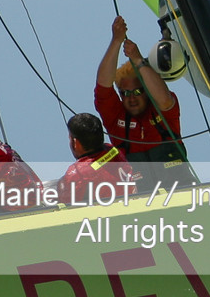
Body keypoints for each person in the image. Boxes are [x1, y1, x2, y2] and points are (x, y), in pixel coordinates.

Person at [95, 16, 191, 177]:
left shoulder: (161, 109)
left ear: (147, 91)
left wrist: (138, 60)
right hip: (141, 191)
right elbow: (103, 87)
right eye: (125, 93)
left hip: (181, 188)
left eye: (138, 92)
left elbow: (165, 101)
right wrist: (116, 41)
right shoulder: (115, 117)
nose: (131, 98)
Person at [55, 112, 137, 205]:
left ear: (75, 143)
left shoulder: (77, 173)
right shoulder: (113, 150)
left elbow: (66, 207)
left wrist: (62, 186)